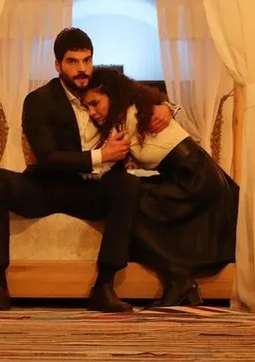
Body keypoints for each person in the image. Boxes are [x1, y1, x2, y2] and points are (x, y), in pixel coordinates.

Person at [0, 28, 178, 315]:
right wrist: (102, 155)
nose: (82, 69)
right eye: (72, 61)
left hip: (89, 191)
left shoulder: (106, 88)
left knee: (128, 185)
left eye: (87, 60)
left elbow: (143, 96)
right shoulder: (39, 99)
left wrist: (166, 107)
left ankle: (104, 286)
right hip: (46, 186)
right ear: (58, 65)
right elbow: (47, 157)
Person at [81, 68, 240, 307]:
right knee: (129, 199)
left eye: (95, 104)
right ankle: (179, 281)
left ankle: (179, 279)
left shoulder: (130, 116)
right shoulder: (132, 111)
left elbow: (103, 162)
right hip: (186, 174)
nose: (92, 113)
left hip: (195, 178)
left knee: (128, 207)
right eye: (87, 108)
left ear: (112, 95)